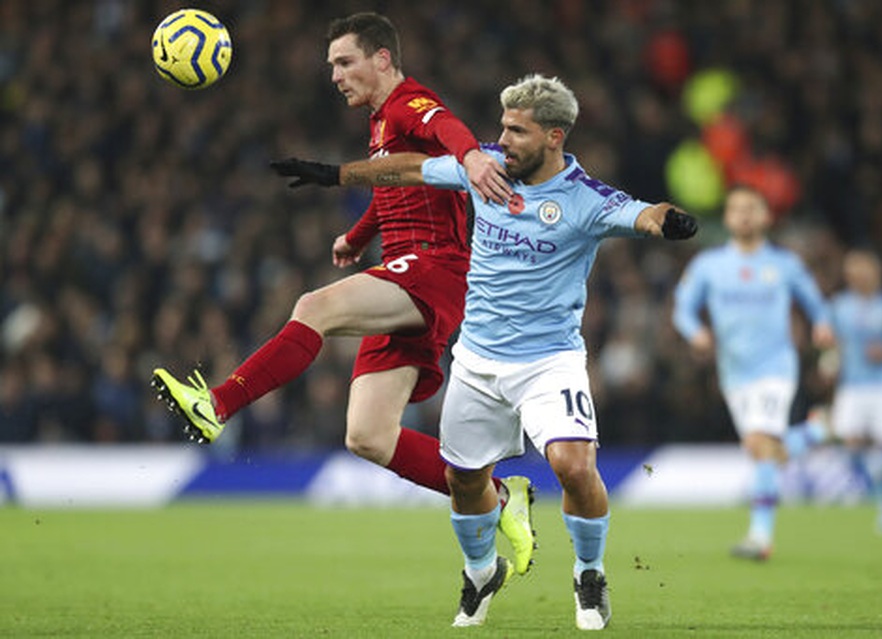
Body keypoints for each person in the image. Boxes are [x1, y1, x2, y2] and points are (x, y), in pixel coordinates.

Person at [297, 74, 697, 629]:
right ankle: (481, 572)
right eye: (502, 127)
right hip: (478, 361)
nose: (502, 139)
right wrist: (338, 175)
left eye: (517, 130)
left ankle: (589, 572)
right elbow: (413, 168)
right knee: (464, 480)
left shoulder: (584, 200)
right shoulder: (484, 170)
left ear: (554, 137)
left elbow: (641, 212)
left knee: (573, 465)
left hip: (548, 361)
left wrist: (668, 222)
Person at [151, 12, 534, 573]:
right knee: (368, 436)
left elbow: (447, 127)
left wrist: (473, 157)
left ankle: (217, 404)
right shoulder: (380, 125)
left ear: (382, 59)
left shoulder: (408, 102)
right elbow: (397, 182)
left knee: (314, 307)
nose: (334, 75)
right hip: (406, 272)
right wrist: (356, 238)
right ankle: (501, 496)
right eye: (331, 65)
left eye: (345, 61)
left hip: (433, 268)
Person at [672, 185, 834, 561]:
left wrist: (821, 324)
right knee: (762, 449)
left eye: (751, 208)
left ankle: (760, 538)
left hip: (776, 366)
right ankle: (815, 431)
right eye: (736, 208)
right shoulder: (708, 265)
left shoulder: (784, 264)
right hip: (734, 372)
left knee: (761, 446)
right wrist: (695, 332)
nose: (744, 214)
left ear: (766, 216)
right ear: (727, 218)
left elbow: (814, 301)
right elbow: (682, 309)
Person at [823, 249, 882, 532]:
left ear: (875, 274)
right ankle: (876, 488)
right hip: (852, 385)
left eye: (862, 272)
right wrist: (829, 362)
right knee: (848, 444)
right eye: (852, 273)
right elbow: (831, 341)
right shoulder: (839, 306)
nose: (856, 278)